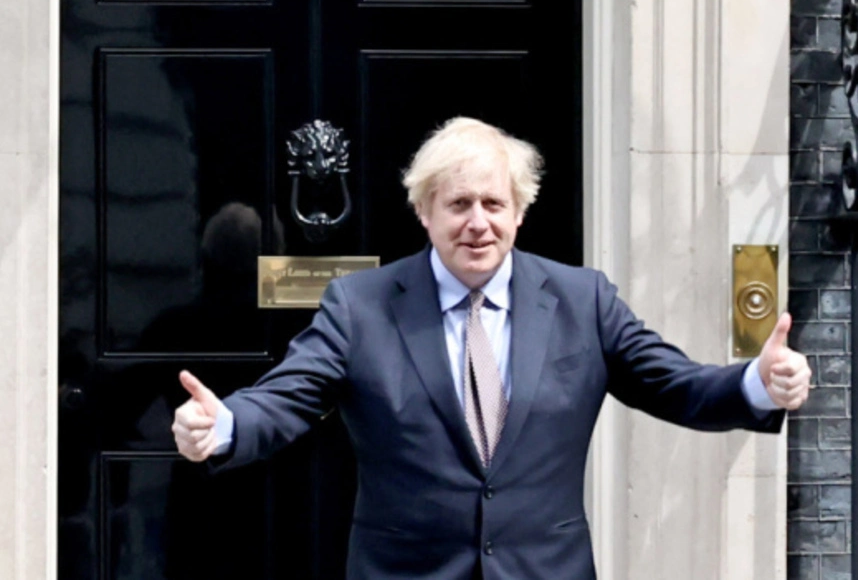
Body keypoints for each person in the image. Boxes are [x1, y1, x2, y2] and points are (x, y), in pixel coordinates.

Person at [171, 117, 811, 580]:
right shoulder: (360, 306)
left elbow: (675, 384)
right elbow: (288, 396)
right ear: (424, 212)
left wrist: (756, 382)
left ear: (519, 212)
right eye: (458, 204)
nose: (477, 222)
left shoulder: (582, 300)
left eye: (493, 203)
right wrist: (223, 425)